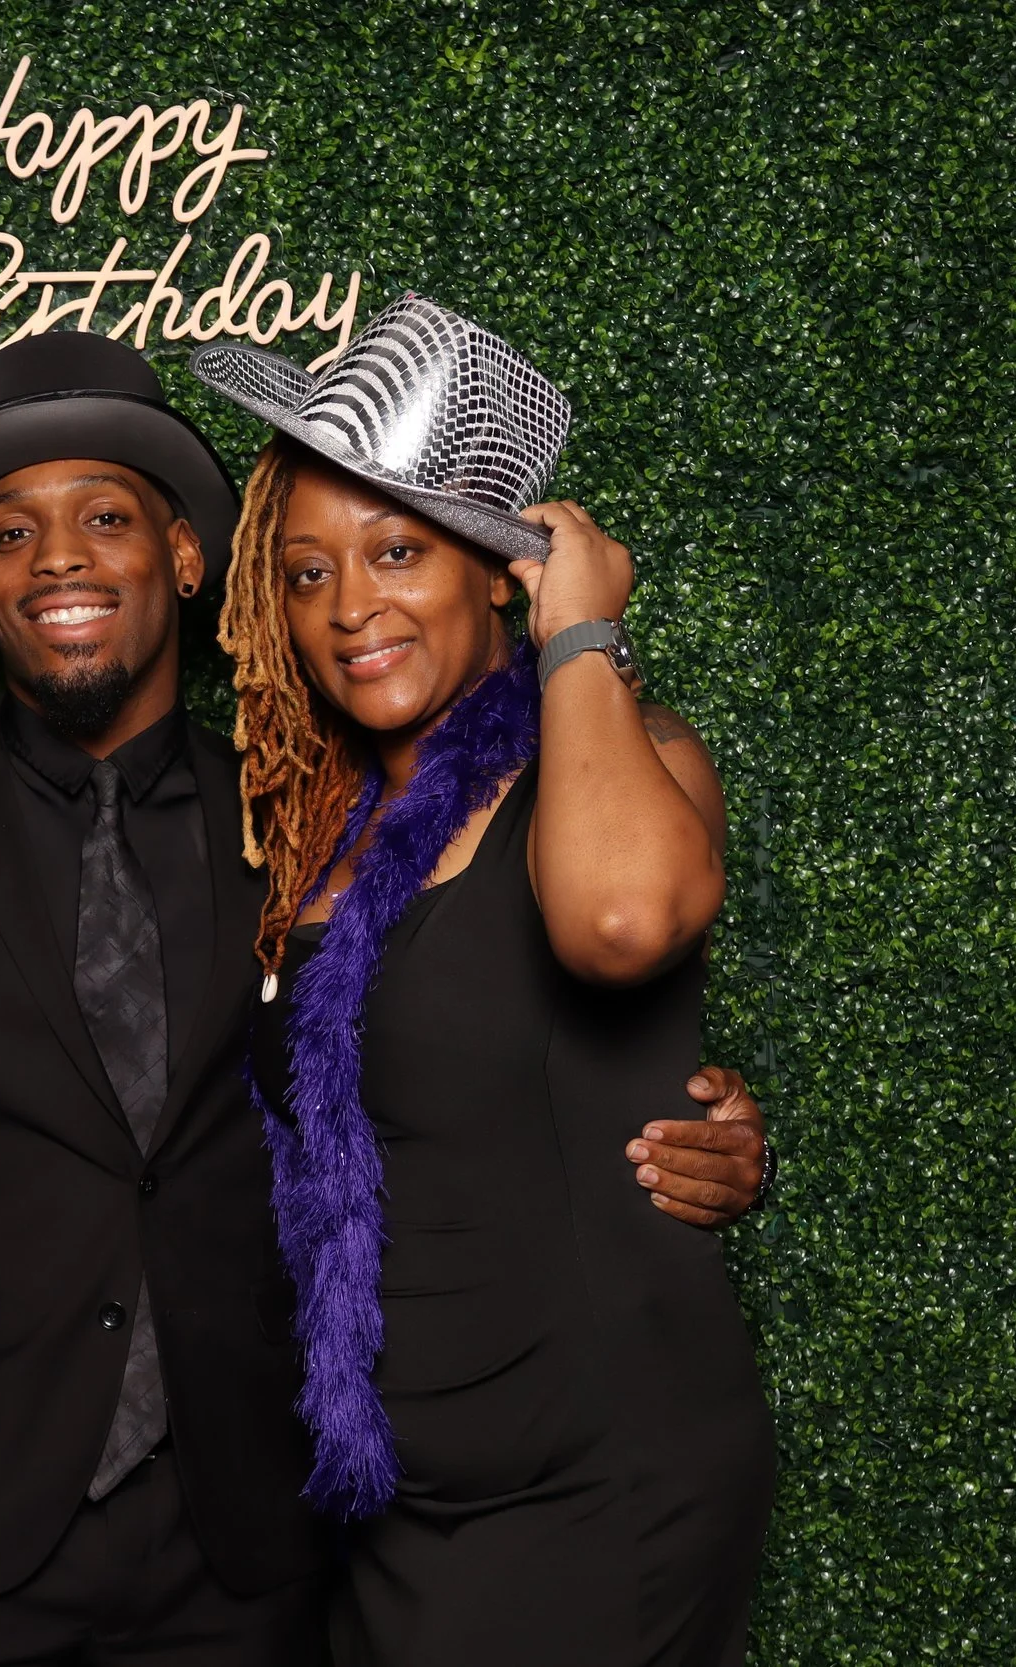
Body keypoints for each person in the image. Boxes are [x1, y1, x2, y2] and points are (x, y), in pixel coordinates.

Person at [0, 330, 774, 1667]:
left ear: (182, 559)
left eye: (105, 516)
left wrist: (698, 1123)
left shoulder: (295, 808)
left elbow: (590, 943)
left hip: (263, 1541)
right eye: (313, 571)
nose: (58, 559)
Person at [191, 297, 775, 1666]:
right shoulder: (313, 835)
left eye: (397, 551)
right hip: (394, 1507)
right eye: (304, 570)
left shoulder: (631, 758)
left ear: (494, 569)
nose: (349, 608)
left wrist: (583, 635)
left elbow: (624, 921)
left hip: (596, 1483)